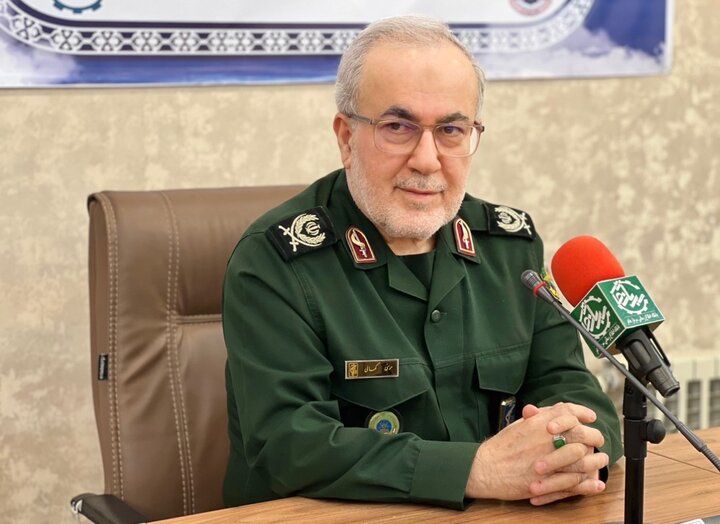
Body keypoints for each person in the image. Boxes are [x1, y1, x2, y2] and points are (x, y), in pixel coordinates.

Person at [222, 14, 622, 510]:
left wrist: (576, 447)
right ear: (346, 137)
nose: (427, 160)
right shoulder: (275, 261)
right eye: (398, 127)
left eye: (451, 130)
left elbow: (570, 385)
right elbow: (289, 444)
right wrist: (475, 470)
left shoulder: (509, 247)